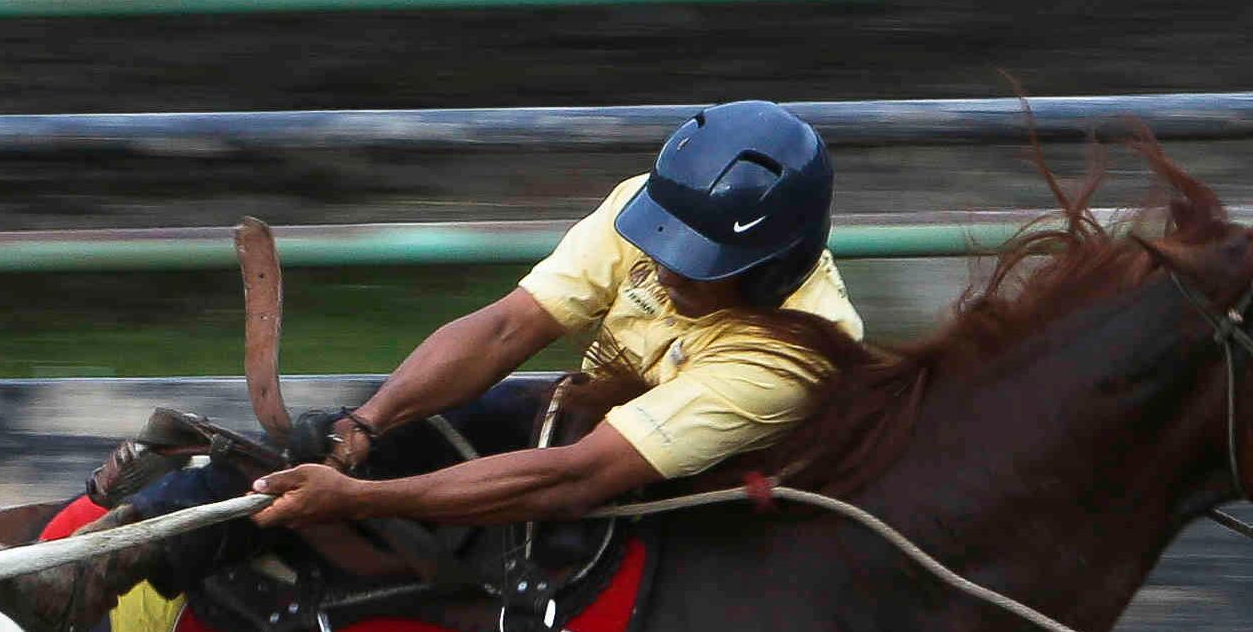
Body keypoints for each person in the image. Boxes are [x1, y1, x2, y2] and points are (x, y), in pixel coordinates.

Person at [253, 101, 859, 532]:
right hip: (581, 425)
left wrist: (362, 500)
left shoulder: (799, 353)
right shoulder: (657, 211)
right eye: (665, 245)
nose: (668, 269)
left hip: (675, 501)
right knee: (343, 437)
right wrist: (368, 421)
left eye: (699, 264)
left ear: (773, 268)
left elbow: (578, 479)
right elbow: (506, 328)